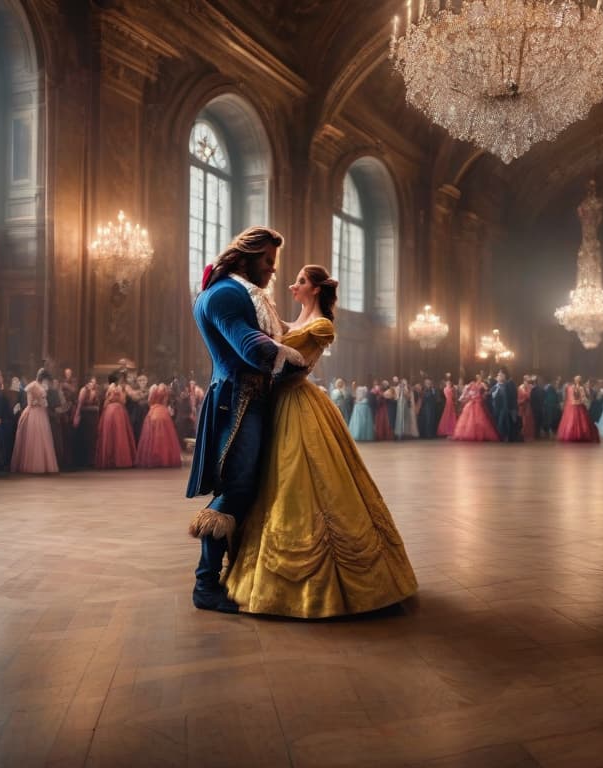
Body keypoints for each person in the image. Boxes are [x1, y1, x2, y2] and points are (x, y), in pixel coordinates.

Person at [224, 265, 417, 617]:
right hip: (274, 405)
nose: (293, 285)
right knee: (272, 482)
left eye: (300, 281)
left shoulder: (320, 326)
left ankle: (332, 584)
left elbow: (278, 354)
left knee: (306, 481)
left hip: (299, 404)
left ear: (315, 290)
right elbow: (269, 339)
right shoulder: (287, 324)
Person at [186, 226, 305, 614]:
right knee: (236, 488)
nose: (273, 270)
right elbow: (251, 348)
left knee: (248, 487)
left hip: (249, 397)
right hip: (239, 401)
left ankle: (231, 573)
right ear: (247, 257)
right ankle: (206, 584)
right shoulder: (225, 294)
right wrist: (293, 358)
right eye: (268, 261)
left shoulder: (234, 292)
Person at [11, 371, 59, 474]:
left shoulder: (42, 385)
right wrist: (39, 402)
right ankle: (33, 465)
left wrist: (44, 402)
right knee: (34, 439)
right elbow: (30, 403)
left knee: (43, 439)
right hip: (34, 413)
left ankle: (45, 464)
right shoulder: (32, 385)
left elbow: (44, 400)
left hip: (41, 413)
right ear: (42, 378)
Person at [135, 382, 182, 468]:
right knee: (166, 437)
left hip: (153, 412)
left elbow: (150, 401)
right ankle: (165, 458)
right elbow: (165, 402)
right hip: (163, 413)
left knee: (151, 437)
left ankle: (153, 458)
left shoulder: (153, 389)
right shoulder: (164, 389)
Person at [95, 372, 136, 469]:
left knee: (108, 435)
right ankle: (120, 460)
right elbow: (123, 401)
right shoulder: (118, 388)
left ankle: (108, 459)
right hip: (118, 411)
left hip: (108, 411)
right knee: (119, 435)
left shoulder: (108, 387)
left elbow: (105, 400)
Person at [451, 374, 499, 441]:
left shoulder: (482, 384)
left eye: (479, 377)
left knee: (479, 420)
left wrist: (483, 395)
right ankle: (469, 433)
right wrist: (463, 397)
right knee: (470, 419)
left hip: (478, 403)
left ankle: (478, 434)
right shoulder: (471, 385)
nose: (478, 378)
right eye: (477, 377)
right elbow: (466, 392)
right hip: (472, 403)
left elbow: (487, 390)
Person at [556, 375, 599, 443]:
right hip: (575, 406)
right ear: (575, 380)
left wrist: (584, 401)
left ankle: (581, 435)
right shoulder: (573, 387)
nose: (578, 381)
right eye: (577, 380)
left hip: (577, 406)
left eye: (579, 380)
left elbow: (583, 397)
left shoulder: (579, 388)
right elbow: (577, 397)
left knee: (579, 421)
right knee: (573, 421)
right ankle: (575, 435)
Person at [490, 369, 519, 442]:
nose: (499, 376)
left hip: (506, 408)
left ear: (505, 376)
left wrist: (513, 408)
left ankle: (506, 436)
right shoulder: (495, 387)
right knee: (499, 423)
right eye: (499, 375)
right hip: (497, 408)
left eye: (501, 375)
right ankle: (503, 436)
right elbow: (491, 395)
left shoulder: (508, 384)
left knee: (503, 422)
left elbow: (513, 396)